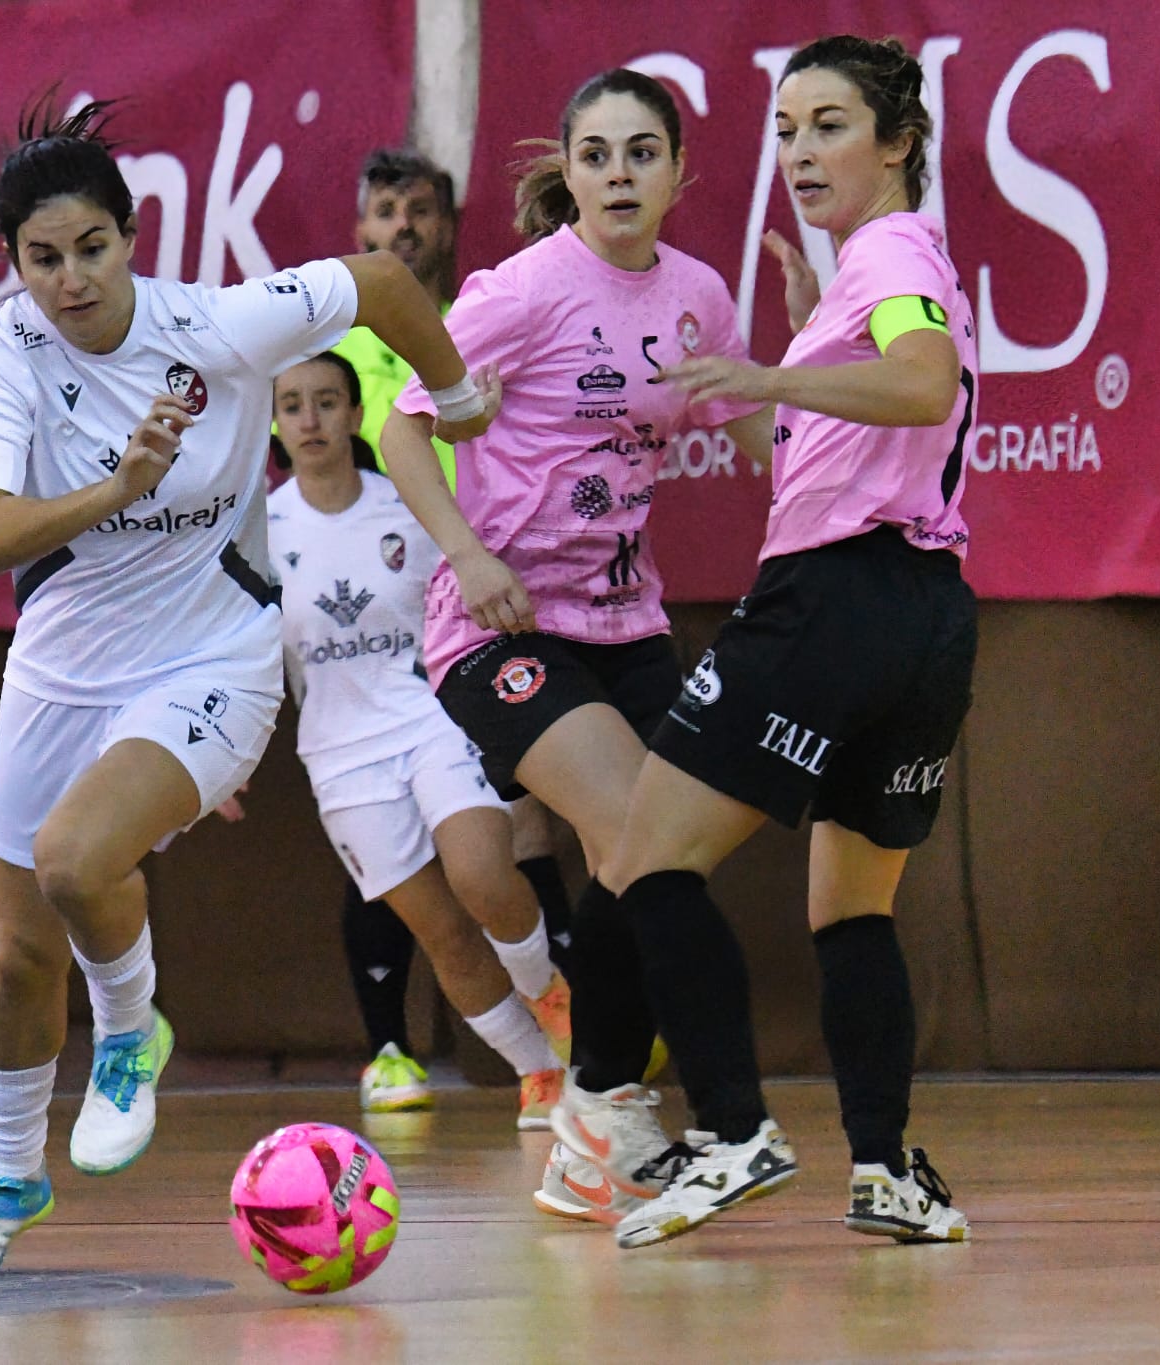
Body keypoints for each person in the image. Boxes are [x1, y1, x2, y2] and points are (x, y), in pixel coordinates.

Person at [0, 97, 493, 1278]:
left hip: (210, 657)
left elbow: (384, 285)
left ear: (130, 237)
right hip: (61, 662)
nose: (70, 279)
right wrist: (118, 487)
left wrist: (457, 392)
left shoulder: (219, 323)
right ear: (11, 264)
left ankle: (130, 1033)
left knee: (79, 859)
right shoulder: (6, 354)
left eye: (91, 248)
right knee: (15, 950)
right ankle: (7, 1175)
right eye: (42, 259)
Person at [599, 35, 977, 1249]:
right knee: (849, 911)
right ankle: (886, 1173)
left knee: (642, 864)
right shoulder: (877, 272)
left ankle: (730, 1132)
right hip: (925, 620)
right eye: (783, 126)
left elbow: (922, 385)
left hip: (833, 602)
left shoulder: (893, 250)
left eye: (827, 124)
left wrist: (771, 371)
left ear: (896, 142)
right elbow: (886, 398)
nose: (799, 150)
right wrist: (811, 344)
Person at [380, 70, 774, 1227]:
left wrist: (849, 440)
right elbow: (401, 430)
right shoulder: (523, 290)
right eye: (594, 154)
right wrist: (466, 556)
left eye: (640, 153)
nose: (617, 174)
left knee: (645, 860)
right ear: (566, 170)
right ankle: (704, 1116)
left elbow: (765, 440)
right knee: (640, 839)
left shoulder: (697, 295)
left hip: (627, 624)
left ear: (676, 175)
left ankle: (593, 1113)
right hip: (498, 627)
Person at [331, 148, 579, 1113]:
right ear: (360, 232)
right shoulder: (335, 357)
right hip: (375, 634)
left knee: (522, 820)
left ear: (448, 224)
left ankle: (573, 1037)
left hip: (491, 603)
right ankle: (390, 1047)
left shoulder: (483, 323)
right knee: (389, 850)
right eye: (384, 212)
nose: (402, 229)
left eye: (420, 211)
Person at [269, 349, 571, 1128]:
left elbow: (473, 586)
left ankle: (559, 1007)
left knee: (481, 872)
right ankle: (539, 1072)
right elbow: (236, 650)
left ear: (352, 413)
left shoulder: (402, 504)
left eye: (326, 401)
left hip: (432, 717)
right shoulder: (261, 530)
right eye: (293, 403)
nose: (310, 419)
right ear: (274, 421)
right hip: (340, 756)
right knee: (441, 930)